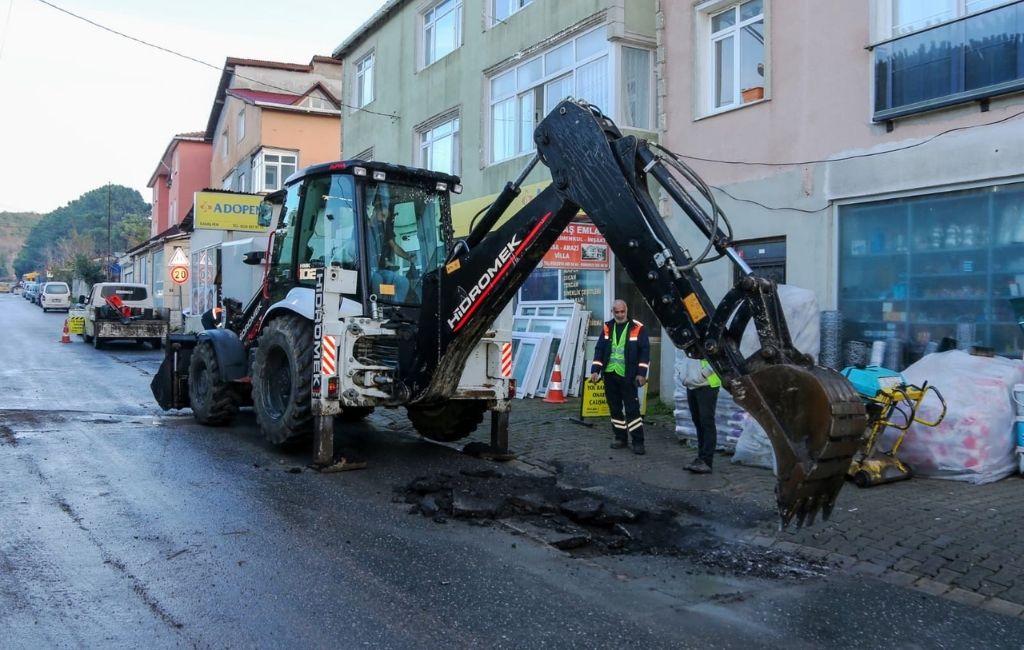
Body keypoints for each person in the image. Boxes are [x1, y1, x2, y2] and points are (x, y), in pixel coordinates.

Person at [589, 300, 650, 454]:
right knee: (615, 409)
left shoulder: (637, 328)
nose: (620, 314)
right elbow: (599, 349)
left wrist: (642, 374)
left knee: (632, 410)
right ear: (612, 312)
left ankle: (638, 441)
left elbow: (644, 352)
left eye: (622, 311)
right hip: (610, 374)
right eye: (617, 312)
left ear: (626, 310)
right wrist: (595, 370)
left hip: (628, 376)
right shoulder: (608, 327)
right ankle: (620, 438)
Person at [368, 195, 413, 301]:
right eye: (382, 216)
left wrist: (408, 257)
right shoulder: (361, 228)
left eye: (385, 218)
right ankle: (377, 309)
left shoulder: (384, 229)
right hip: (366, 270)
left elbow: (394, 247)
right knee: (377, 279)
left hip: (379, 270)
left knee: (403, 282)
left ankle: (396, 309)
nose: (383, 220)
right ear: (374, 211)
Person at [681, 356, 721, 474]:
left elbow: (718, 358)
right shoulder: (691, 341)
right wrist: (683, 375)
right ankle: (700, 458)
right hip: (692, 384)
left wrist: (704, 374)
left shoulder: (710, 339)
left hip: (708, 385)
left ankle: (707, 461)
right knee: (698, 421)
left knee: (706, 422)